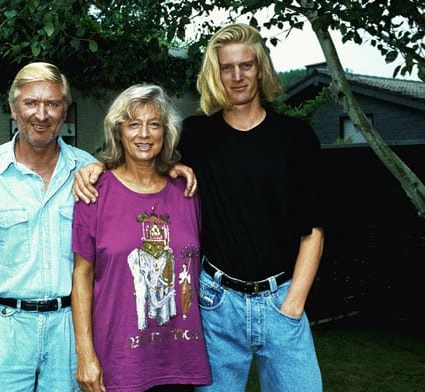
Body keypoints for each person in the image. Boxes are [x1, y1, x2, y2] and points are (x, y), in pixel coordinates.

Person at [73, 23, 326, 392]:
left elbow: (314, 229)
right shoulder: (196, 135)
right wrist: (100, 167)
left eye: (246, 65)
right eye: (226, 67)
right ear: (215, 74)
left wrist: (293, 304)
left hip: (280, 301)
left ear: (261, 69)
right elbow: (144, 157)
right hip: (216, 305)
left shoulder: (295, 137)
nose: (237, 76)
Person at [0, 62, 98, 391]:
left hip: (70, 330)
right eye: (31, 103)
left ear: (64, 112)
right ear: (13, 109)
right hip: (5, 333)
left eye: (52, 104)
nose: (42, 114)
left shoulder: (90, 172)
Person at [71, 84, 211, 392]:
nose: (144, 134)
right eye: (133, 124)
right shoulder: (94, 193)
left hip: (180, 362)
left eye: (154, 124)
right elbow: (82, 276)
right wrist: (85, 354)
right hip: (120, 363)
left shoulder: (186, 191)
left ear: (166, 132)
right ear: (118, 131)